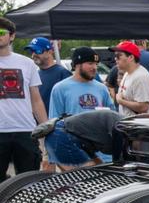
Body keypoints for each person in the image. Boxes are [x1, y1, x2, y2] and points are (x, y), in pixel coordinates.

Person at [0, 17, 49, 178]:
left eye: (1, 32)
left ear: (12, 36)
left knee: (28, 182)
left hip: (25, 130)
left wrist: (46, 128)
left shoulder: (27, 63)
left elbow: (36, 100)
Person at [33, 108, 121, 170]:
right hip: (62, 135)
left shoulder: (123, 125)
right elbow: (120, 163)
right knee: (92, 177)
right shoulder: (121, 124)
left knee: (101, 171)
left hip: (69, 136)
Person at [48, 47, 113, 119]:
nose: (94, 67)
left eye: (96, 64)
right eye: (90, 63)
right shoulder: (60, 88)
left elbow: (111, 116)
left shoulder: (102, 88)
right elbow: (54, 120)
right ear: (77, 65)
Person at [111, 42, 149, 118]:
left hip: (138, 126)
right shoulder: (128, 73)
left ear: (131, 57)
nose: (115, 59)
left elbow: (143, 107)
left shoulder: (141, 77)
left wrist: (121, 101)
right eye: (115, 56)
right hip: (129, 124)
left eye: (119, 56)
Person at [23, 37, 70, 108]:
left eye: (38, 51)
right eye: (32, 51)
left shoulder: (63, 73)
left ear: (49, 52)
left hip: (57, 118)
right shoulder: (35, 74)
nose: (33, 55)